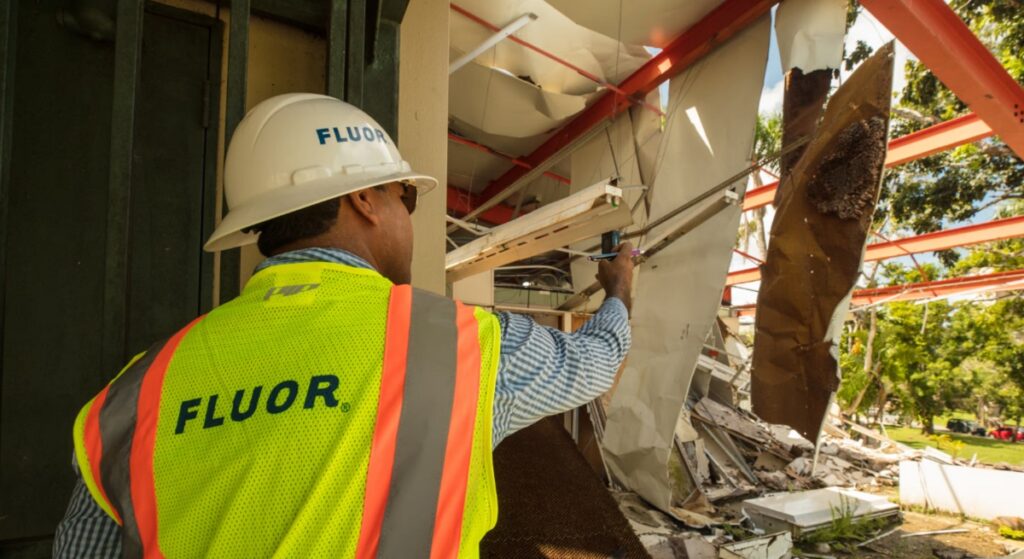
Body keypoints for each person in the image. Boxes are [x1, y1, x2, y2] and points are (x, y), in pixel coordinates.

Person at [53, 94, 634, 558]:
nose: (410, 215)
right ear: (365, 198)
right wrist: (620, 288)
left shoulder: (135, 393)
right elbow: (598, 362)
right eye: (405, 195)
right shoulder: (460, 345)